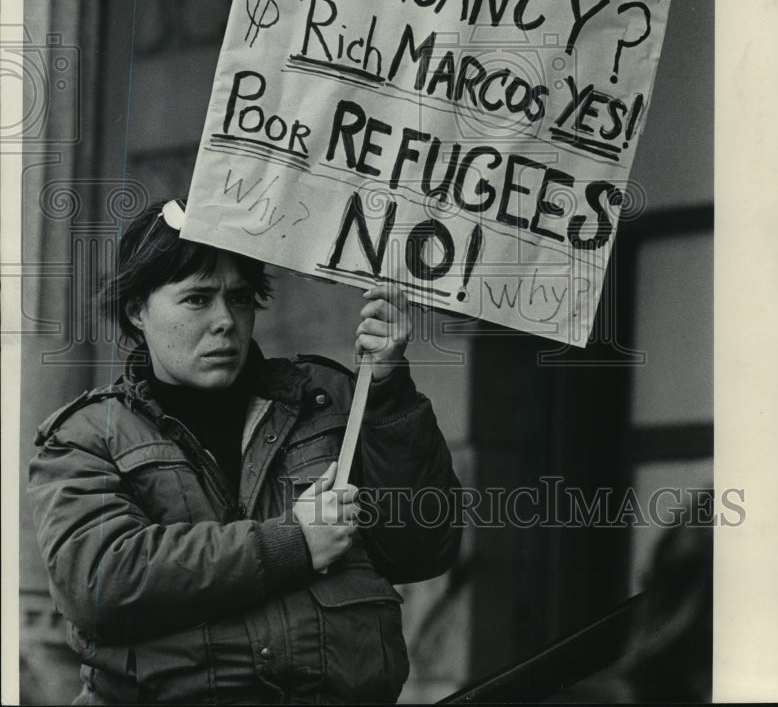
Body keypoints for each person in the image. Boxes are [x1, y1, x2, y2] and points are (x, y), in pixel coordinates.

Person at [28, 198, 462, 705]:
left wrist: (388, 391)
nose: (225, 322)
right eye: (197, 299)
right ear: (137, 310)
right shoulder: (87, 436)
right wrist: (290, 543)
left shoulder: (328, 400)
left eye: (239, 299)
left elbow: (422, 547)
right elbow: (102, 582)